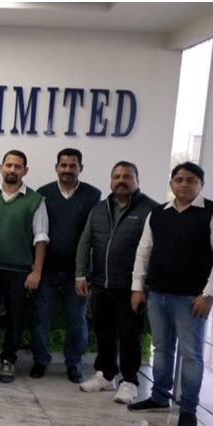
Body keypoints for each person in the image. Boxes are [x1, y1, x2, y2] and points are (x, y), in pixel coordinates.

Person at [128, 162, 213, 426]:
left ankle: (188, 409)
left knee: (191, 355)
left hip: (191, 299)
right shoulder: (158, 213)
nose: (183, 184)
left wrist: (208, 295)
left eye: (190, 180)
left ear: (201, 184)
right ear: (172, 183)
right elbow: (144, 250)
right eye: (179, 180)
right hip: (158, 294)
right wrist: (137, 287)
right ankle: (159, 397)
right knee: (161, 349)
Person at [74, 161, 158, 403]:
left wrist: (142, 286)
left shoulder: (150, 210)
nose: (121, 180)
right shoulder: (99, 209)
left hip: (131, 288)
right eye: (116, 176)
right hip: (101, 285)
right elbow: (85, 242)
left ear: (137, 180)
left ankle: (129, 381)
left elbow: (154, 251)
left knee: (130, 336)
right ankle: (106, 375)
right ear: (111, 180)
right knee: (104, 333)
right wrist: (80, 275)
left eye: (127, 176)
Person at [31, 148, 101, 383]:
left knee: (77, 321)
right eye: (63, 165)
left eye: (73, 165)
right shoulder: (43, 194)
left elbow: (94, 236)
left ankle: (74, 363)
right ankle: (41, 360)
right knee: (41, 318)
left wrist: (85, 272)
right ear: (56, 167)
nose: (67, 170)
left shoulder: (93, 195)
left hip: (76, 273)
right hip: (47, 270)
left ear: (81, 168)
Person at [0, 150, 48, 383]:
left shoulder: (36, 200)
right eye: (8, 165)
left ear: (25, 171)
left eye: (18, 166)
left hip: (19, 271)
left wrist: (36, 271)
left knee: (15, 319)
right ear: (1, 167)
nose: (12, 170)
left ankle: (8, 360)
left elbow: (41, 238)